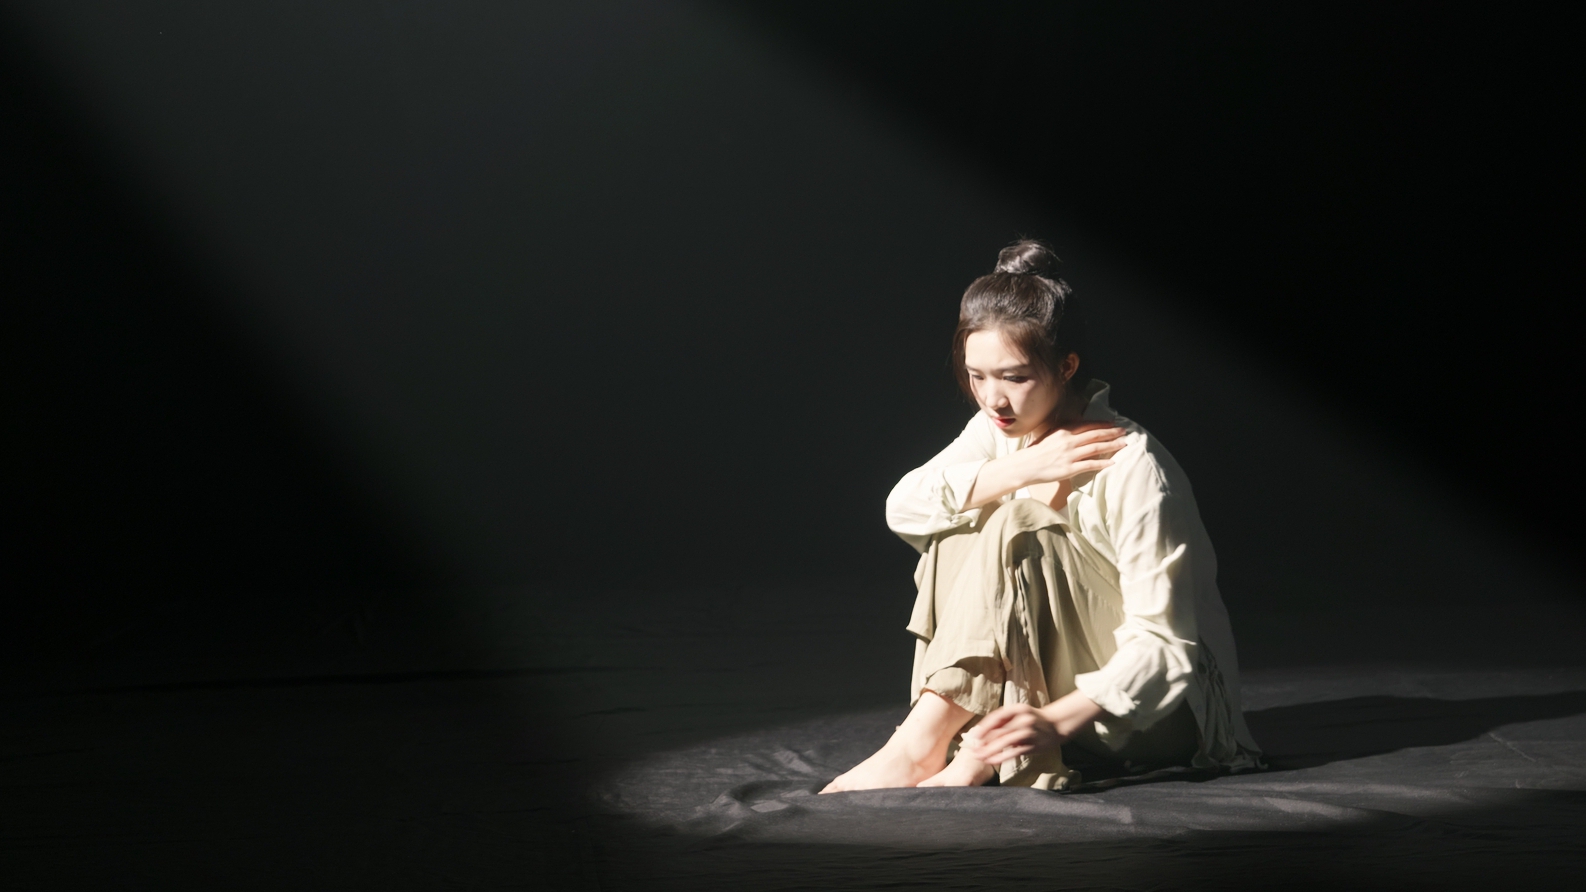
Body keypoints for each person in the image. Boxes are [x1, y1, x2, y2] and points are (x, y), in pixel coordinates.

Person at [822, 240, 1261, 793]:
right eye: (976, 376)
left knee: (1016, 525)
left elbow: (1165, 648)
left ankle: (919, 750)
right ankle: (959, 749)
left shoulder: (1135, 465)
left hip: (1158, 719)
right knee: (957, 528)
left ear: (1067, 365)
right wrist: (1026, 466)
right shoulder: (1000, 432)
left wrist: (1053, 721)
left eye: (1014, 377)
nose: (993, 400)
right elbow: (903, 506)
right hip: (1044, 709)